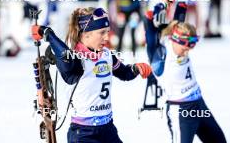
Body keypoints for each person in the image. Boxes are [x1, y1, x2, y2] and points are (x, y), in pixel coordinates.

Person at [32, 7, 152, 143]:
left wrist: (136, 68)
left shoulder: (107, 55)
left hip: (108, 130)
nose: (107, 38)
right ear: (86, 34)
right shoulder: (76, 59)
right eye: (101, 33)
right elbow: (65, 56)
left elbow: (125, 73)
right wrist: (47, 33)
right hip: (83, 133)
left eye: (107, 32)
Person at [143, 0, 227, 143]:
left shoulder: (176, 31)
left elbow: (182, 3)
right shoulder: (159, 52)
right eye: (186, 45)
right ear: (175, 39)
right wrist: (156, 10)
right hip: (180, 110)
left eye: (192, 45)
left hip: (198, 102)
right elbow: (148, 26)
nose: (188, 50)